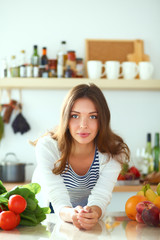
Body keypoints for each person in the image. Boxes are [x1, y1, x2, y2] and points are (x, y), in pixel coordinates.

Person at [32, 83, 130, 230]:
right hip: (52, 211)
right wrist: (71, 213)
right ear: (66, 118)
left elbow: (101, 196)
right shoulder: (48, 147)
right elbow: (57, 198)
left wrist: (93, 213)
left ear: (102, 119)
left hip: (88, 213)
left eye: (92, 116)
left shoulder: (113, 152)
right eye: (75, 116)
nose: (83, 125)